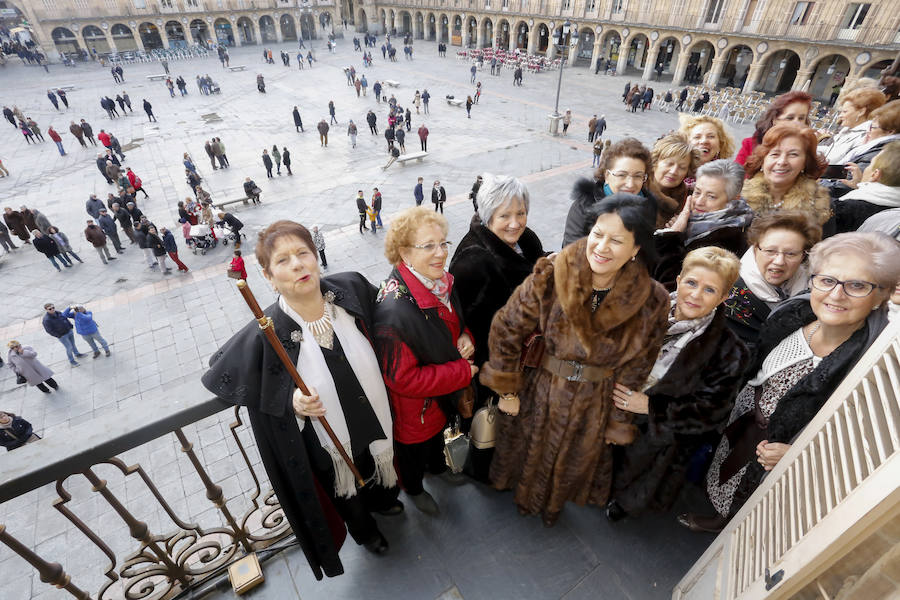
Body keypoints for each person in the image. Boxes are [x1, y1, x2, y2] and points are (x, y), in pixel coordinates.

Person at [202, 221, 403, 571]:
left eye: (303, 253)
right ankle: (365, 531)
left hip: (371, 411)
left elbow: (390, 319)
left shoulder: (350, 290)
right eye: (283, 261)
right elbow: (232, 376)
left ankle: (384, 499)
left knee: (376, 455)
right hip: (325, 439)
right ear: (268, 276)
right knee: (344, 485)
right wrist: (290, 401)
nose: (297, 265)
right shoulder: (267, 332)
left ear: (316, 258)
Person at [681, 232, 900, 532]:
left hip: (772, 451)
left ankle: (723, 523)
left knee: (743, 494)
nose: (836, 295)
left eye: (857, 286)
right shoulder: (793, 314)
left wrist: (798, 454)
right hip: (744, 415)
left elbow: (860, 445)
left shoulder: (868, 368)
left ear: (880, 296)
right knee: (723, 466)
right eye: (827, 280)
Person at [481, 194, 669, 526]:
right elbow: (506, 326)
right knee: (528, 460)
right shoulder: (554, 272)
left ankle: (552, 507)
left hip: (595, 400)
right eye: (598, 233)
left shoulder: (652, 300)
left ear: (636, 249)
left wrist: (618, 421)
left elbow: (637, 367)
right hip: (541, 388)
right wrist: (507, 389)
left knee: (571, 466)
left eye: (617, 240)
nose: (602, 246)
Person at [608, 247, 749, 519]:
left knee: (628, 481)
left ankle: (620, 503)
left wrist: (652, 407)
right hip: (608, 406)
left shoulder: (730, 352)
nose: (695, 295)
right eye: (692, 283)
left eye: (710, 290)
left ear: (723, 297)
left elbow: (711, 411)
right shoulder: (642, 304)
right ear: (680, 278)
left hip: (653, 436)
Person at [373, 207, 475, 515]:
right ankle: (414, 489)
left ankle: (438, 469)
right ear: (404, 252)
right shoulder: (394, 312)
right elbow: (401, 380)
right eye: (428, 246)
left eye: (443, 243)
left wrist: (466, 335)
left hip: (439, 398)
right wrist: (461, 371)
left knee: (435, 443)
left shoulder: (440, 283)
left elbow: (452, 323)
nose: (441, 253)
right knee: (413, 455)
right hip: (414, 410)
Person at [448, 174, 545, 470]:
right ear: (488, 215)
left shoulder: (524, 241)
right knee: (491, 428)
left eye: (521, 212)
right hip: (497, 374)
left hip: (526, 361)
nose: (515, 222)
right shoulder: (473, 262)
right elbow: (484, 338)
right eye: (505, 215)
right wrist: (506, 389)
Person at [724, 211, 822, 353]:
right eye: (770, 251)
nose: (779, 261)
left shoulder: (814, 286)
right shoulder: (728, 295)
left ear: (803, 255)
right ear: (755, 248)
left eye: (791, 254)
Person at [653, 160, 754, 289]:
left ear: (734, 199)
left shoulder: (728, 239)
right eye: (697, 192)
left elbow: (672, 284)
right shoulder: (690, 219)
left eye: (711, 196)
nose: (699, 202)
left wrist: (671, 236)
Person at [563, 137, 658, 246]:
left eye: (638, 176)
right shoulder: (585, 206)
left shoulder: (649, 204)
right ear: (607, 175)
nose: (630, 184)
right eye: (622, 175)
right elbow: (572, 254)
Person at [742, 123, 831, 226]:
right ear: (763, 159)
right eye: (775, 154)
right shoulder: (738, 197)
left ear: (805, 163)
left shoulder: (818, 208)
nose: (782, 161)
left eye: (793, 154)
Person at [823, 100, 900, 199]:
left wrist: (815, 180)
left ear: (890, 132)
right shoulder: (872, 147)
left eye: (872, 127)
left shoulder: (881, 152)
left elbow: (843, 184)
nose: (868, 131)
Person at [833, 140, 900, 232]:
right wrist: (860, 186)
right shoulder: (894, 212)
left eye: (870, 164)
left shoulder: (844, 208)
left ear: (875, 174)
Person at [736, 91, 811, 165]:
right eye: (790, 118)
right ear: (775, 120)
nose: (796, 123)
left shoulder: (807, 149)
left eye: (801, 118)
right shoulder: (750, 144)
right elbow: (735, 174)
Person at [819, 88, 887, 164]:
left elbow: (836, 163)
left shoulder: (865, 136)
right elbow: (830, 150)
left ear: (861, 112)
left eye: (845, 112)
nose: (840, 115)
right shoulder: (848, 129)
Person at [648, 132, 701, 227]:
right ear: (655, 162)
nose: (674, 171)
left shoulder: (688, 199)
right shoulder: (636, 186)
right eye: (669, 164)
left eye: (682, 167)